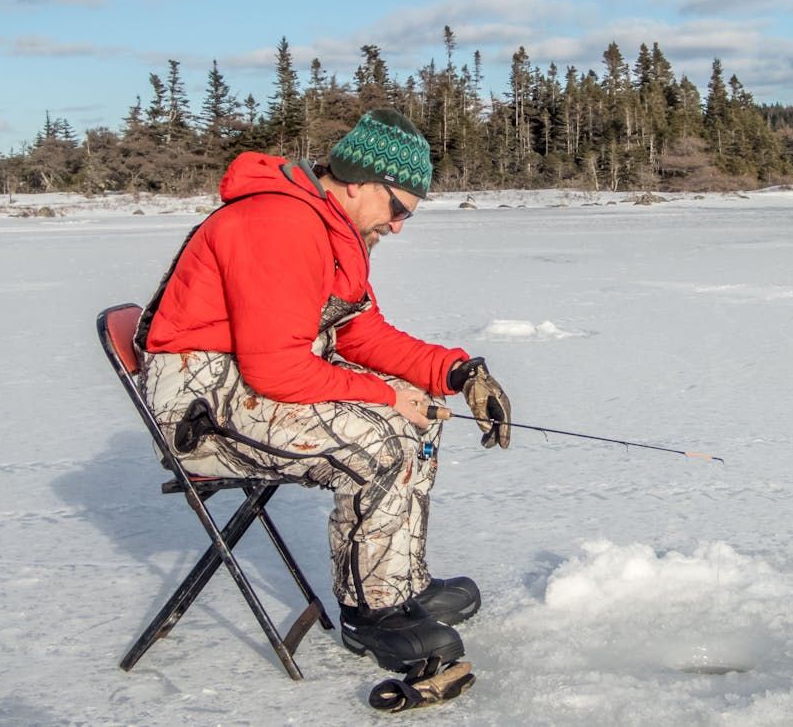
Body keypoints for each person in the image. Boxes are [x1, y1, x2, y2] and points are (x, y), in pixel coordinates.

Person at [137, 108, 512, 673]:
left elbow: (359, 331)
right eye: (397, 207)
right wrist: (387, 398)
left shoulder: (331, 229)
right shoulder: (278, 224)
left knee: (420, 417)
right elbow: (277, 370)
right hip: (201, 407)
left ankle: (398, 578)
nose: (399, 225)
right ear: (359, 182)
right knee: (379, 439)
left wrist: (456, 373)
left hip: (246, 383)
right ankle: (372, 613)